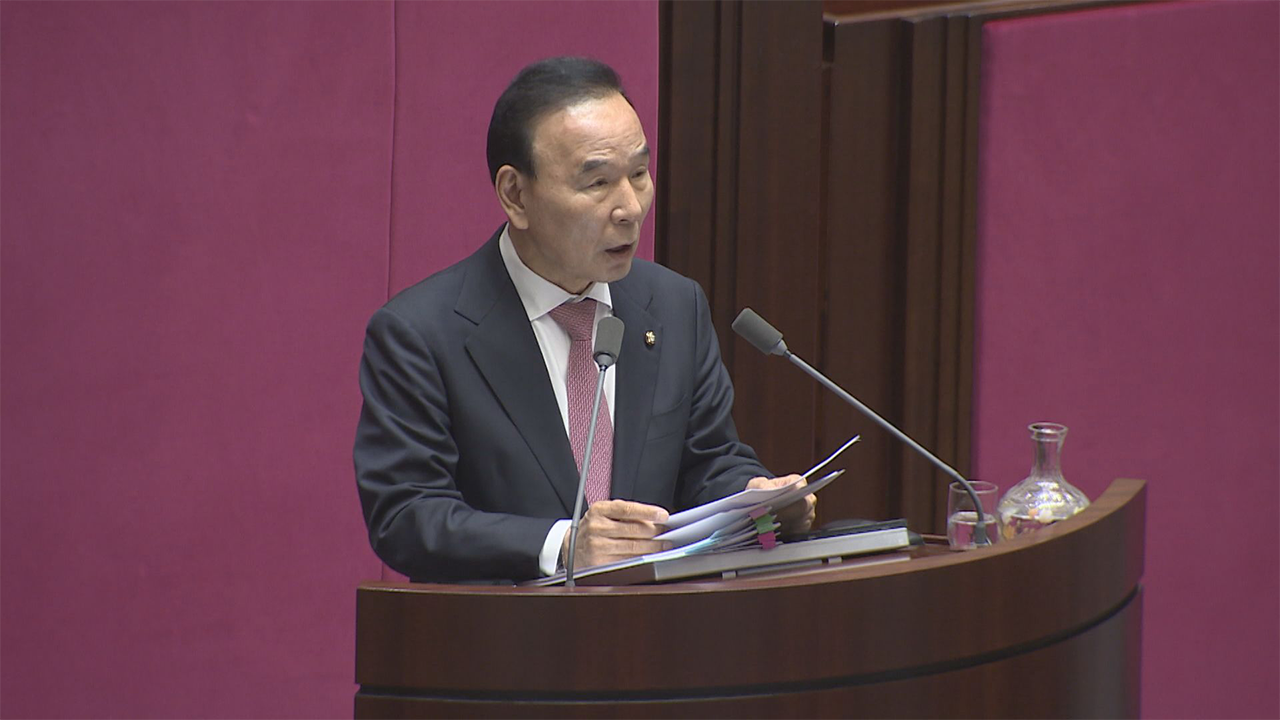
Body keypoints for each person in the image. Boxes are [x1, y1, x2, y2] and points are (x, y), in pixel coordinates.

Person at [354, 57, 813, 583]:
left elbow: (707, 461)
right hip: (502, 630)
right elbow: (406, 515)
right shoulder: (421, 334)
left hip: (658, 628)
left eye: (638, 174)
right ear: (515, 194)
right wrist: (565, 544)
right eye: (597, 183)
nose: (630, 208)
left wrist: (755, 501)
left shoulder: (673, 305)